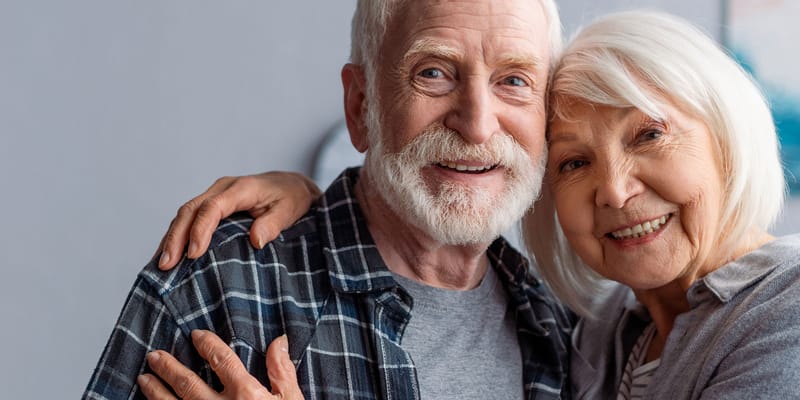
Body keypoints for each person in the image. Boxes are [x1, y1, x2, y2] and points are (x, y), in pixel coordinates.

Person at [147, 10, 800, 400]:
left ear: (726, 131)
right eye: (574, 161)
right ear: (362, 105)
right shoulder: (595, 334)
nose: (615, 190)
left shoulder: (785, 313)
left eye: (651, 134)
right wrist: (317, 202)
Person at [84, 0, 575, 399]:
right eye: (433, 73)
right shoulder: (215, 283)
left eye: (514, 81)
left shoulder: (562, 329)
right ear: (361, 107)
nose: (477, 124)